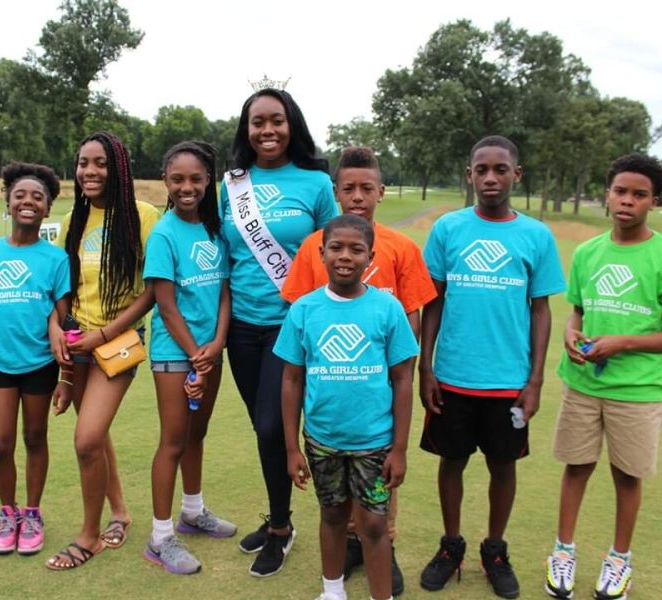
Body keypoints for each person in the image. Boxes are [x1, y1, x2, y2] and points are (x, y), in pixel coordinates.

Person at [282, 146, 436, 596]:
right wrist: (292, 444)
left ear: (380, 192)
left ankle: (381, 561)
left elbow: (410, 324)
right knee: (335, 512)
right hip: (326, 421)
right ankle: (341, 574)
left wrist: (400, 434)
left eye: (366, 188)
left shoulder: (400, 251)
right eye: (347, 188)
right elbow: (298, 350)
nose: (356, 196)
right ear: (335, 192)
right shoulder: (314, 250)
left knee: (376, 515)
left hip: (376, 415)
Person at [418, 135, 566, 598]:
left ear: (516, 175)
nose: (490, 177)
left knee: (504, 465)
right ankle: (451, 546)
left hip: (507, 381)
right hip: (453, 377)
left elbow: (540, 310)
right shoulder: (448, 229)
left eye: (500, 169)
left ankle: (495, 550)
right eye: (481, 169)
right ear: (469, 175)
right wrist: (427, 368)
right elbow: (433, 301)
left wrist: (535, 380)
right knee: (452, 461)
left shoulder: (536, 236)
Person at [221, 87, 339, 577]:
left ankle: (281, 530)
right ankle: (278, 516)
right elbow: (221, 256)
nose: (267, 131)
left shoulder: (315, 184)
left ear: (292, 125)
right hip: (240, 329)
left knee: (275, 426)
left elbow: (336, 251)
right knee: (263, 427)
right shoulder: (230, 184)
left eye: (277, 120)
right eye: (257, 122)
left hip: (291, 327)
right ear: (245, 129)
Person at [544, 153, 662, 600]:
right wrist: (571, 336)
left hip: (638, 389)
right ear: (607, 194)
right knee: (577, 467)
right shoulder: (589, 252)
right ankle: (563, 552)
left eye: (639, 194)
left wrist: (624, 342)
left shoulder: (660, 253)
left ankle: (619, 561)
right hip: (583, 385)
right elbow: (577, 311)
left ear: (654, 201)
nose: (627, 201)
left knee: (627, 475)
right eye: (620, 191)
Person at [45, 132, 160, 570]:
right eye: (82, 163)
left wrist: (106, 333)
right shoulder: (74, 220)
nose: (89, 172)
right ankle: (121, 514)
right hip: (77, 343)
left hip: (120, 343)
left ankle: (89, 536)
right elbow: (59, 287)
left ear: (119, 168)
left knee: (87, 438)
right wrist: (57, 325)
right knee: (97, 436)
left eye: (100, 163)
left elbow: (152, 291)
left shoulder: (142, 215)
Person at [0, 161, 70, 557]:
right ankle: (8, 514)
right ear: (7, 203)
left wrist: (66, 377)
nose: (28, 201)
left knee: (34, 438)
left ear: (47, 209)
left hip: (41, 363)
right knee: (1, 443)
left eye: (37, 197)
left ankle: (33, 513)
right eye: (20, 195)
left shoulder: (55, 259)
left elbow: (65, 318)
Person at [142, 141, 236, 574]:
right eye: (177, 179)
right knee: (174, 441)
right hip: (174, 354)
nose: (187, 187)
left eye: (196, 179)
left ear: (208, 181)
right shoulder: (163, 233)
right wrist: (198, 356)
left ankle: (193, 512)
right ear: (165, 181)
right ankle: (161, 538)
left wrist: (216, 344)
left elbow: (223, 292)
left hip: (208, 351)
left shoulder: (215, 229)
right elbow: (165, 306)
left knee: (197, 435)